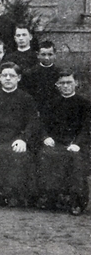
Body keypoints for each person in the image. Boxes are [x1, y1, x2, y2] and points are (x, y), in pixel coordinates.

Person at [0, 62, 38, 207]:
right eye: (4, 75)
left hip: (16, 137)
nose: (7, 78)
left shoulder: (27, 99)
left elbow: (32, 122)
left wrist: (23, 139)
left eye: (11, 75)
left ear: (18, 78)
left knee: (17, 152)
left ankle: (14, 194)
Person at [35, 69, 89, 215]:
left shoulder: (84, 104)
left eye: (69, 83)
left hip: (77, 143)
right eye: (62, 83)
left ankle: (76, 201)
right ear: (57, 85)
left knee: (76, 159)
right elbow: (42, 124)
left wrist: (77, 143)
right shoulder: (51, 103)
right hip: (55, 142)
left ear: (76, 83)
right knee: (45, 155)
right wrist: (46, 137)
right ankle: (50, 197)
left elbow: (86, 128)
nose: (66, 86)